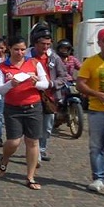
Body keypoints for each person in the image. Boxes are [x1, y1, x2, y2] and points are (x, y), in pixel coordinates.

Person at [0, 37, 49, 189]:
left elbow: (46, 84)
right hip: (13, 108)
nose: (20, 52)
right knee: (14, 142)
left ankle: (30, 177)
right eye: (16, 49)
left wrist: (35, 83)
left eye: (23, 49)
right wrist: (11, 84)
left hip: (33, 106)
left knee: (32, 141)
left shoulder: (34, 63)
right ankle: (4, 159)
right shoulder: (2, 67)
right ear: (9, 49)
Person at [76, 28, 104, 193]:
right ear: (99, 43)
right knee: (96, 146)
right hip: (98, 111)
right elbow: (80, 84)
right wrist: (96, 94)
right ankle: (98, 178)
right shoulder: (91, 62)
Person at [27, 27, 67, 163]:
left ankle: (42, 149)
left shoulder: (54, 58)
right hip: (30, 96)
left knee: (47, 126)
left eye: (48, 44)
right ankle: (35, 152)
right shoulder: (27, 56)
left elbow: (63, 76)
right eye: (42, 43)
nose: (45, 47)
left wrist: (52, 84)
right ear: (35, 43)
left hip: (49, 97)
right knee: (34, 126)